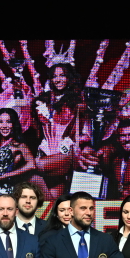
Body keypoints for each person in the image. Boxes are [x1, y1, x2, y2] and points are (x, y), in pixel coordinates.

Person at [33, 62, 83, 200]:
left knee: (30, 168)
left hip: (65, 153)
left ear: (69, 78)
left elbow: (84, 131)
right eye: (54, 76)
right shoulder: (43, 100)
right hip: (45, 151)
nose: (58, 79)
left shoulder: (77, 101)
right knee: (52, 202)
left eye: (62, 75)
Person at [0, 108, 36, 218]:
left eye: (8, 122)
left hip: (5, 193)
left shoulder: (18, 146)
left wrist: (3, 177)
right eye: (1, 122)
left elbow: (32, 165)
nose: (4, 126)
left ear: (14, 124)